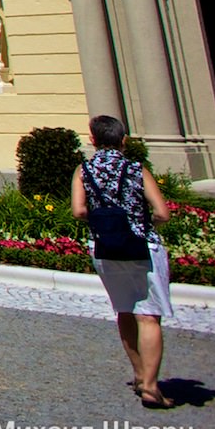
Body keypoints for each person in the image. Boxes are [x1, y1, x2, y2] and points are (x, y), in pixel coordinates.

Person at [73, 114, 175, 410]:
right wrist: (141, 220)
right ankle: (152, 388)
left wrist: (105, 221)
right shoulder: (135, 169)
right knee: (149, 315)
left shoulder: (84, 170)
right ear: (124, 140)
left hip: (105, 247)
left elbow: (78, 211)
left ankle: (140, 375)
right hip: (142, 245)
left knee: (125, 310)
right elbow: (163, 213)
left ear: (93, 140)